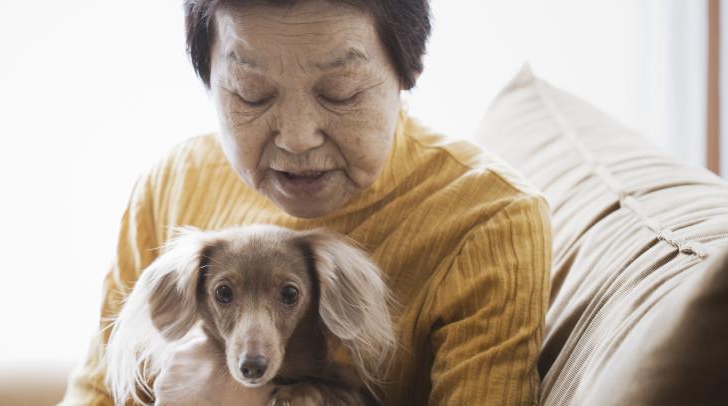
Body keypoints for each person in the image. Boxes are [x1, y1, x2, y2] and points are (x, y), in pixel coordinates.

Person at [60, 0, 551, 404]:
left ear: (410, 69)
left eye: (340, 93)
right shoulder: (175, 182)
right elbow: (98, 392)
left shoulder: (491, 221)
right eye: (250, 95)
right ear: (208, 79)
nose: (296, 139)